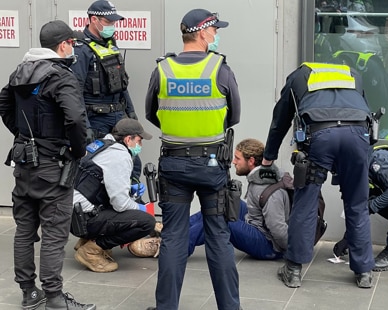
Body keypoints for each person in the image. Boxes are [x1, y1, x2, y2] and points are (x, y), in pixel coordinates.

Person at [144, 8, 241, 310]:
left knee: (173, 237)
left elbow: (151, 113)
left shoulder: (163, 69)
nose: (216, 35)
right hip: (212, 165)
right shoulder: (220, 69)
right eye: (214, 30)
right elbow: (234, 116)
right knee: (218, 237)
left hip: (172, 164)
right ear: (202, 33)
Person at [0, 20, 95, 310]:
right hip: (53, 167)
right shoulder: (60, 76)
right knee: (54, 234)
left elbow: (4, 104)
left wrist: (23, 137)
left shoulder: (21, 71)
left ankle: (29, 293)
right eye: (72, 43)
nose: (74, 47)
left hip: (25, 163)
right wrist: (77, 150)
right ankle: (54, 297)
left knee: (25, 231)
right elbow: (76, 119)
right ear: (63, 44)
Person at [261, 62, 375, 289]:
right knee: (357, 203)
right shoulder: (352, 74)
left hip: (321, 135)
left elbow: (280, 121)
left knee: (306, 201)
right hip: (358, 136)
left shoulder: (299, 76)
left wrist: (268, 157)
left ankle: (293, 270)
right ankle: (364, 272)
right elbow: (363, 108)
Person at [72, 118, 156, 272]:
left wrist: (129, 190)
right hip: (84, 219)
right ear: (128, 139)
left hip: (72, 214)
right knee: (145, 222)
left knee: (129, 207)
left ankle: (86, 241)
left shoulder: (101, 145)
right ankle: (91, 251)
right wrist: (141, 209)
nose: (140, 145)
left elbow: (100, 184)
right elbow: (121, 204)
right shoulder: (120, 156)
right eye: (139, 140)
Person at [71, 0, 142, 179]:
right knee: (98, 167)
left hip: (118, 116)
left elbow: (121, 84)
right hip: (96, 119)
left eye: (113, 23)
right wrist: (85, 126)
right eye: (108, 22)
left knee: (133, 162)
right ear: (94, 19)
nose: (112, 26)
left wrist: (131, 113)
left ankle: (129, 200)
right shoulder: (81, 50)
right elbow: (75, 93)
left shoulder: (111, 45)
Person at [188, 138, 290, 260]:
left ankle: (179, 248)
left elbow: (278, 229)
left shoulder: (270, 191)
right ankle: (173, 230)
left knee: (218, 220)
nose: (233, 162)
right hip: (254, 223)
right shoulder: (260, 177)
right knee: (221, 205)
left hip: (268, 245)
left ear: (251, 161)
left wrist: (292, 252)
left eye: (237, 158)